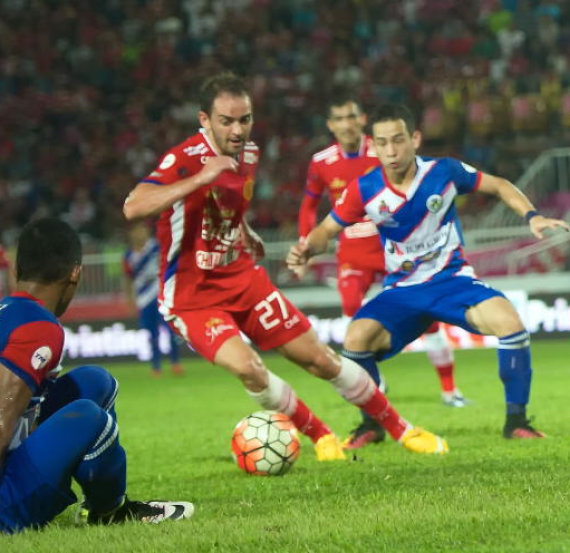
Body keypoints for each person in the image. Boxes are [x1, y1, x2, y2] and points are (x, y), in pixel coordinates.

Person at [123, 72, 447, 460]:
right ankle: (322, 436)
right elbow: (134, 206)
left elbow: (225, 206)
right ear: (204, 119)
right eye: (226, 121)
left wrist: (244, 230)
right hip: (192, 295)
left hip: (242, 277)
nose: (237, 129)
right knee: (249, 368)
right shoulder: (185, 158)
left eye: (244, 119)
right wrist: (201, 177)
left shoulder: (250, 154)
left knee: (321, 359)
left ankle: (403, 430)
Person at [288, 103, 570, 439]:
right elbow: (326, 230)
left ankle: (517, 422)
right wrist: (307, 248)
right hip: (402, 291)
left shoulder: (444, 171)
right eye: (382, 143)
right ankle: (371, 425)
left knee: (510, 324)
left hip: (452, 281)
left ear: (415, 139)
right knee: (356, 339)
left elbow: (499, 185)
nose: (391, 151)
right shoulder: (365, 188)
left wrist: (532, 216)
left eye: (398, 140)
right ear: (374, 145)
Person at [0, 218, 193, 534]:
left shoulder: (10, 312)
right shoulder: (37, 327)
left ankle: (101, 504)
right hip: (4, 503)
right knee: (89, 417)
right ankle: (109, 511)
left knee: (93, 382)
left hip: (11, 459)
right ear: (75, 272)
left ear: (17, 269)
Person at [299, 97, 467, 449]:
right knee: (353, 316)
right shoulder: (320, 162)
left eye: (351, 117)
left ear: (361, 120)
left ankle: (450, 390)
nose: (346, 124)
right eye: (339, 118)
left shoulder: (383, 147)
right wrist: (306, 244)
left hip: (393, 248)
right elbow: (309, 205)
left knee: (428, 320)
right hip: (353, 253)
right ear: (330, 125)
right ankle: (374, 389)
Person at [123, 221, 184, 377]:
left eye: (142, 230)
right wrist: (130, 300)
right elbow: (128, 279)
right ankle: (156, 366)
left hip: (161, 295)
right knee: (152, 334)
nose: (139, 234)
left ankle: (175, 362)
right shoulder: (128, 256)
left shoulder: (156, 248)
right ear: (131, 234)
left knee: (170, 329)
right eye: (136, 230)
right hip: (143, 299)